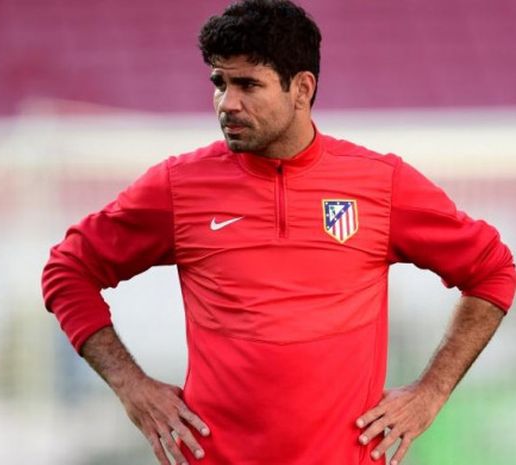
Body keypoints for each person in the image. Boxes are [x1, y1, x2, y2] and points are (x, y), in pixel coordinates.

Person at [41, 1, 515, 464]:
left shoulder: (380, 184)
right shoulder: (179, 186)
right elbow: (68, 270)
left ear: (302, 89)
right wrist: (133, 388)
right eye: (219, 83)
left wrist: (429, 394)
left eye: (247, 84)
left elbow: (493, 270)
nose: (227, 103)